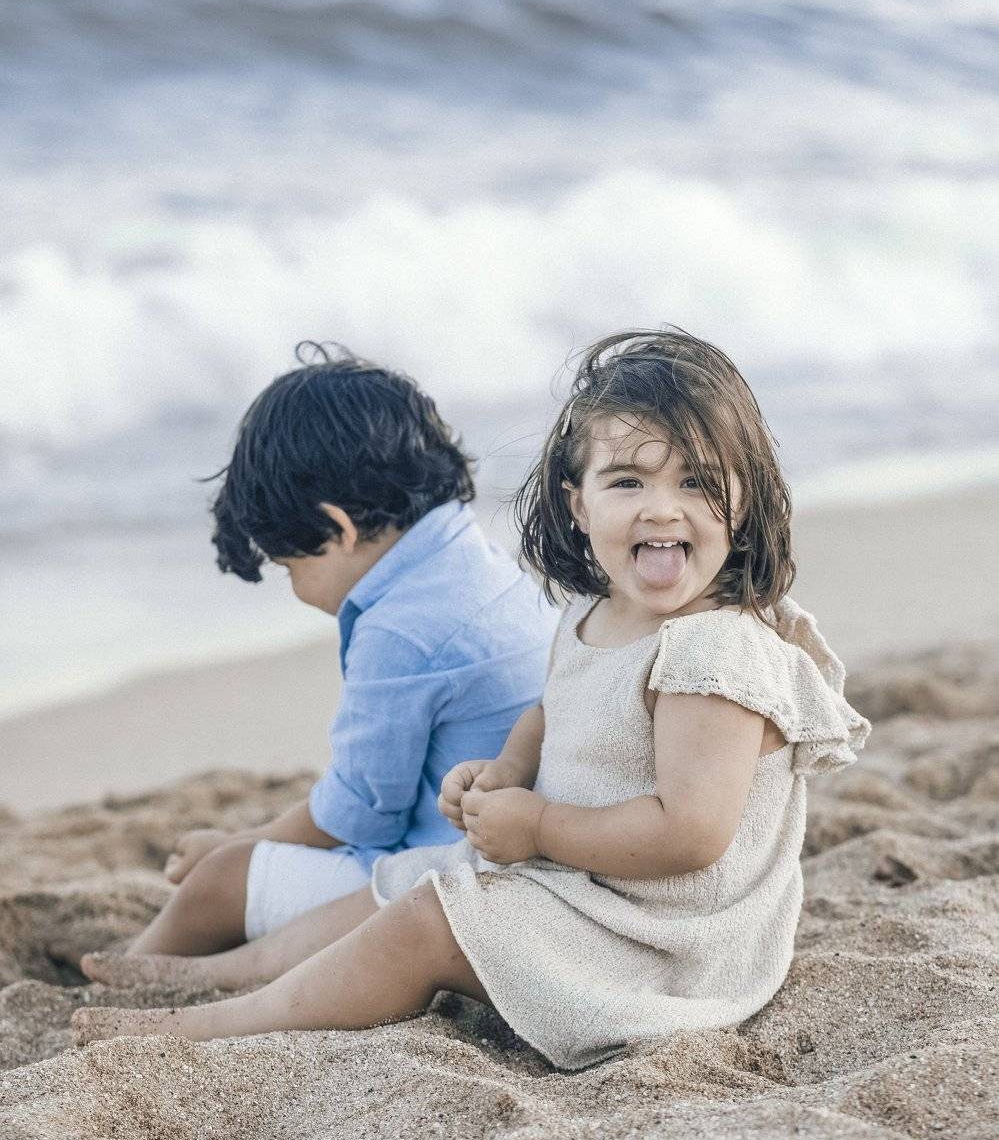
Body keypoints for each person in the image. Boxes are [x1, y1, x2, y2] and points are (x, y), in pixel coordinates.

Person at [73, 327, 870, 1070]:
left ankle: (221, 1024)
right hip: (590, 888)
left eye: (695, 481)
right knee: (410, 881)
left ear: (745, 498)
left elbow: (689, 835)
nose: (661, 507)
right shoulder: (597, 612)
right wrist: (507, 769)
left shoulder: (713, 653)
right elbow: (556, 709)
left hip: (662, 944)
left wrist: (540, 826)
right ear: (578, 503)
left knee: (430, 920)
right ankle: (225, 973)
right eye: (627, 480)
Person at [124, 345, 557, 959]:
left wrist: (236, 845)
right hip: (525, 852)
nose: (295, 589)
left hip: (454, 880)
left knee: (218, 882)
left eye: (289, 567)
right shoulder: (479, 562)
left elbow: (359, 817)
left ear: (338, 529)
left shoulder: (399, 631)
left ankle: (132, 968)